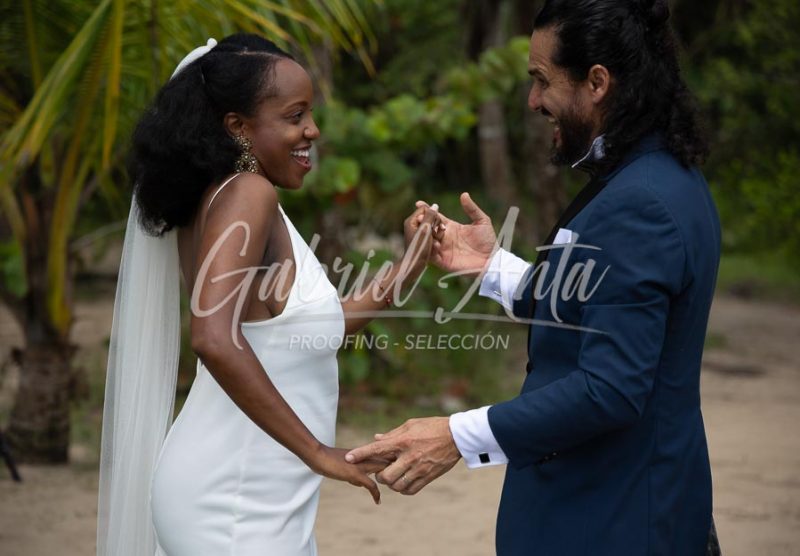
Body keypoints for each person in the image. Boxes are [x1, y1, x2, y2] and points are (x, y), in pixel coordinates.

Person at [346, 1, 723, 554]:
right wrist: (489, 266)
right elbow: (594, 306)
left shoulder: (638, 202)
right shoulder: (658, 176)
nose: (532, 101)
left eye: (542, 81)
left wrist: (456, 435)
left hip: (614, 518)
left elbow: (612, 387)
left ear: (597, 82)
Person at [95, 34, 437, 556]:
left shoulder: (230, 199)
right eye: (295, 115)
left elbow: (300, 334)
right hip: (233, 494)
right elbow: (212, 337)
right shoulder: (249, 195)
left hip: (254, 489)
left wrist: (407, 267)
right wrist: (317, 452)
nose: (312, 130)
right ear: (238, 128)